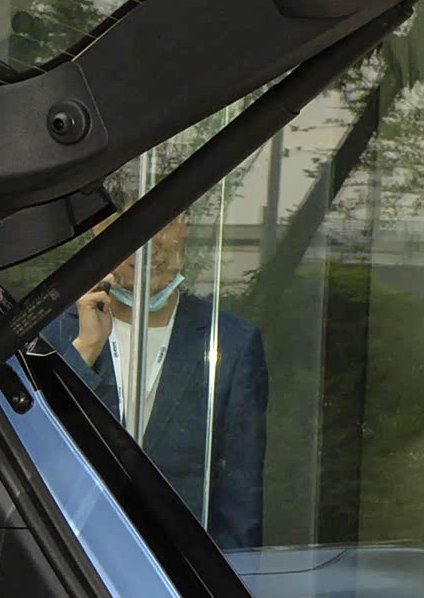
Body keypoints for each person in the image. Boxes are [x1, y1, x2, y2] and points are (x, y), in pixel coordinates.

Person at [56, 203, 270, 549]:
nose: (151, 242)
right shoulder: (57, 335)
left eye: (165, 222)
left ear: (186, 230)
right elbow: (37, 452)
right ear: (99, 232)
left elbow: (240, 500)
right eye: (131, 224)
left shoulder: (230, 342)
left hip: (178, 568)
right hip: (73, 559)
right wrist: (85, 351)